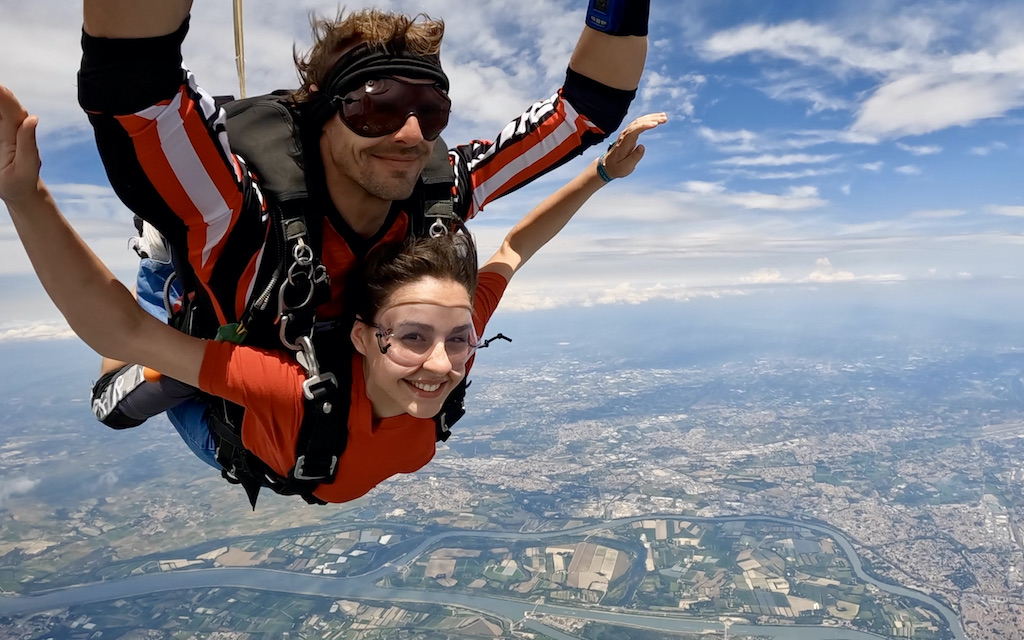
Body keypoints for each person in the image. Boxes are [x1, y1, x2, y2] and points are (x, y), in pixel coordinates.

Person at [0, 80, 666, 504]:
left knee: (206, 337)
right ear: (363, 335)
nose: (444, 362)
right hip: (232, 427)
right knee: (135, 392)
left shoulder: (449, 332)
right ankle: (169, 262)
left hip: (298, 445)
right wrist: (27, 200)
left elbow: (516, 247)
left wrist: (604, 173)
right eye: (414, 338)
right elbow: (121, 331)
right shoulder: (286, 394)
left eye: (459, 340)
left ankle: (185, 264)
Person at [79, 2, 652, 434]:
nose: (409, 136)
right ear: (323, 113)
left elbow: (585, 110)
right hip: (218, 326)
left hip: (317, 354)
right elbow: (133, 82)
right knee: (125, 404)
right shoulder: (238, 210)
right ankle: (161, 254)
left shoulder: (438, 192)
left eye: (430, 111)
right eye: (375, 105)